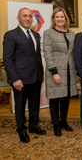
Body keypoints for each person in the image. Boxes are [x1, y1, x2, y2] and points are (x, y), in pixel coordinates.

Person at [3, 8, 45, 143]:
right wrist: (14, 79)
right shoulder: (11, 35)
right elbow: (8, 59)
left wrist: (41, 74)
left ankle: (33, 126)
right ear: (18, 18)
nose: (28, 18)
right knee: (20, 106)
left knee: (34, 104)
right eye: (25, 16)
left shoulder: (36, 35)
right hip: (20, 79)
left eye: (30, 16)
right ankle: (21, 130)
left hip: (36, 77)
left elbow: (37, 56)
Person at [43, 7, 77, 137]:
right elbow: (48, 53)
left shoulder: (71, 33)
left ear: (65, 18)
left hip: (69, 70)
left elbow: (73, 52)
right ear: (53, 19)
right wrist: (54, 72)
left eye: (62, 17)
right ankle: (56, 124)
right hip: (55, 71)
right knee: (55, 98)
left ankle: (64, 121)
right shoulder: (48, 33)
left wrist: (76, 70)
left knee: (66, 97)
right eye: (57, 17)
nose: (60, 19)